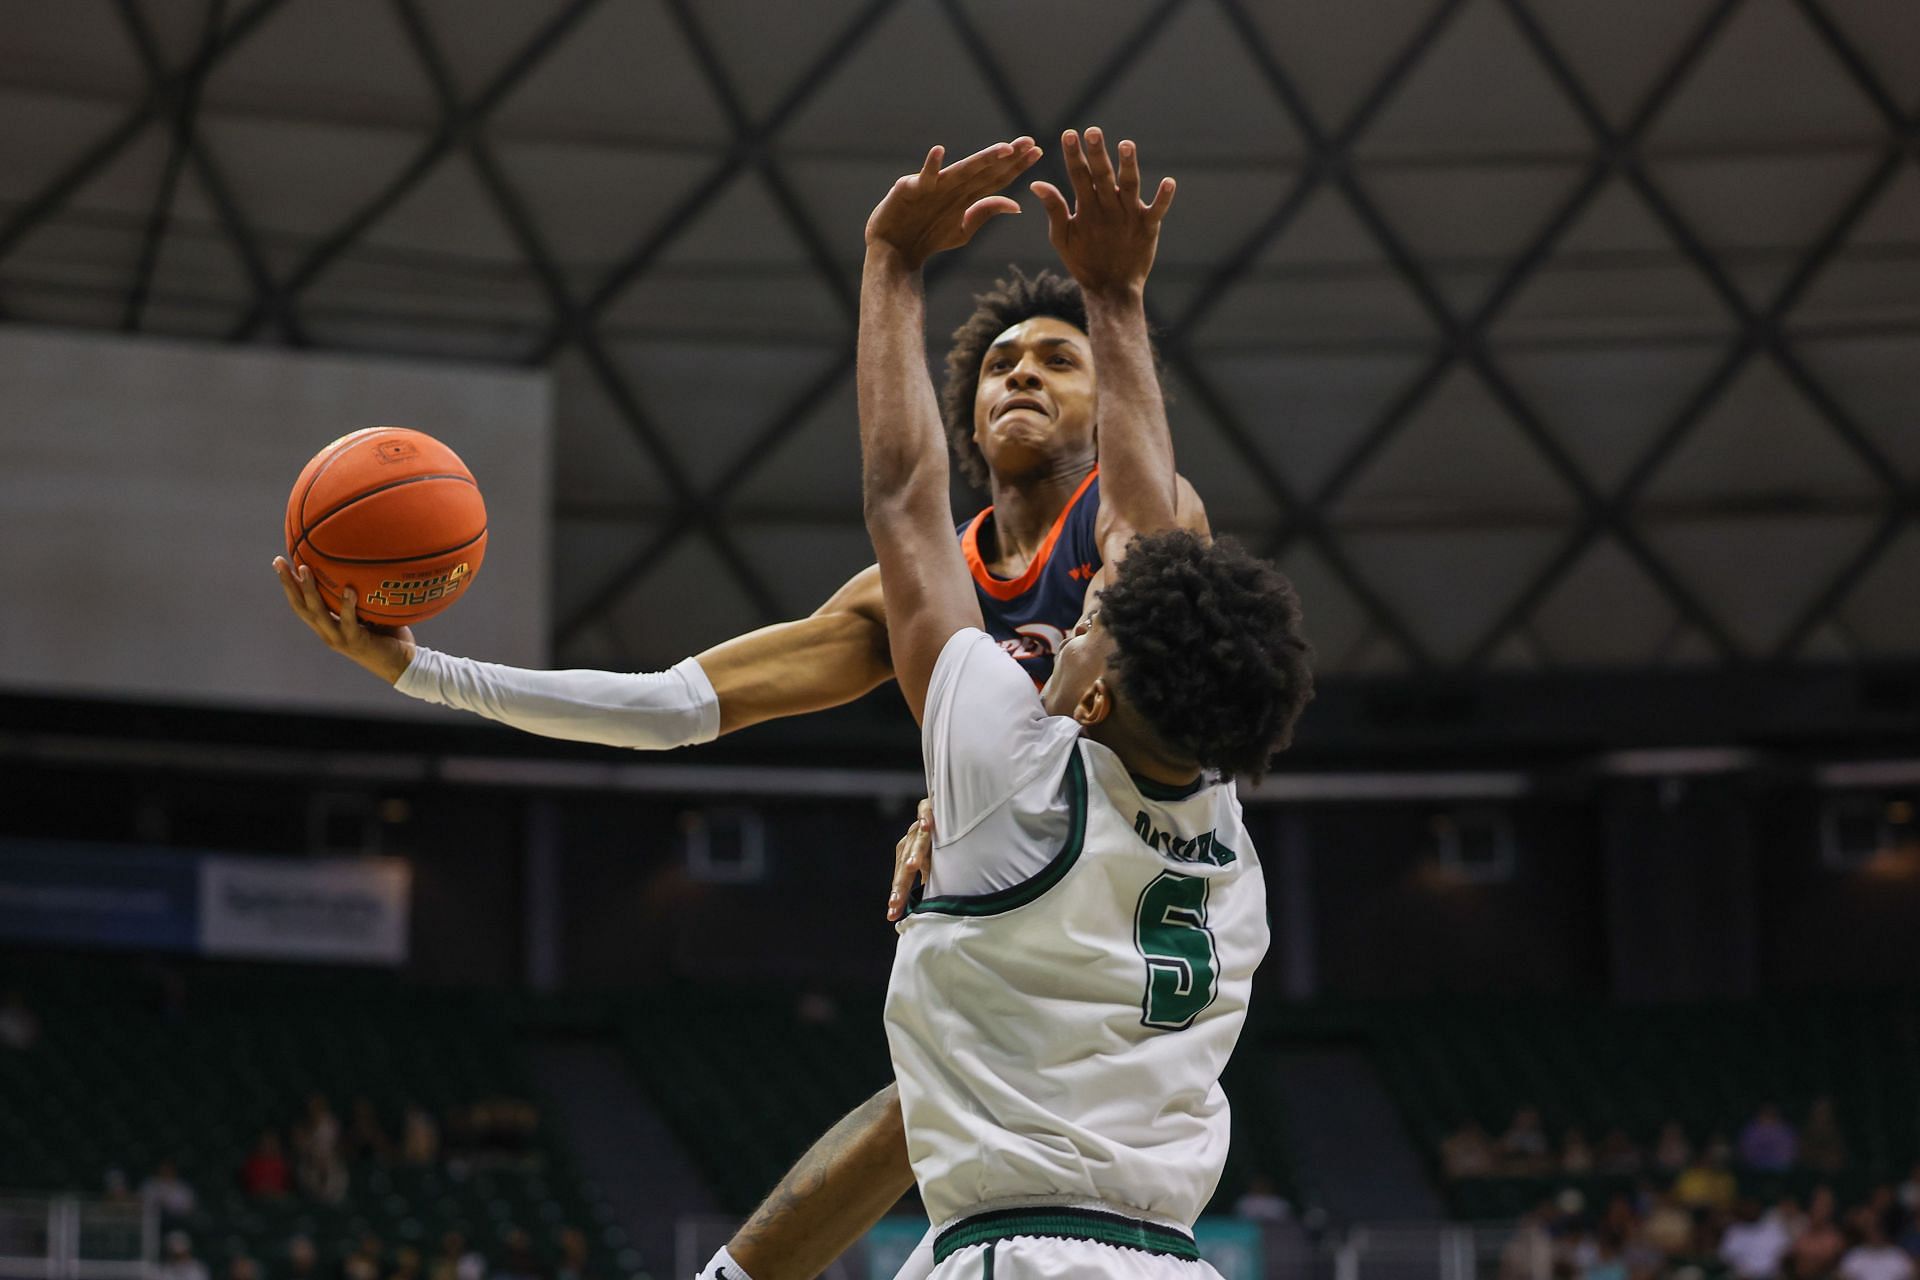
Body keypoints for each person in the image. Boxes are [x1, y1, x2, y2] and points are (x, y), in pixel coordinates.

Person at [742, 128, 1301, 1280]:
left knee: (940, 1080)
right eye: (1004, 361)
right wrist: (1113, 298)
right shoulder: (1237, 865)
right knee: (941, 1080)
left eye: (1060, 355)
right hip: (1170, 1239)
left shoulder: (1121, 564)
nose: (1024, 374)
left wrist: (900, 265)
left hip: (1023, 1245)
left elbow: (903, 496)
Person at [1740, 1103, 1800, 1173]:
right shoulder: (1751, 1130)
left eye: (1772, 1113)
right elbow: (1746, 1152)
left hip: (1781, 1172)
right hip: (1754, 1171)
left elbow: (1790, 1153)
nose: (1769, 1116)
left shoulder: (1786, 1131)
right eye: (1766, 1113)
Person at [240, 1131, 290, 1198]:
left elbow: (286, 1186)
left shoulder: (283, 1163)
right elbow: (250, 1186)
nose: (269, 1146)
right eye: (266, 1142)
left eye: (272, 1143)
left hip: (278, 1199)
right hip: (256, 1199)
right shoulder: (253, 1163)